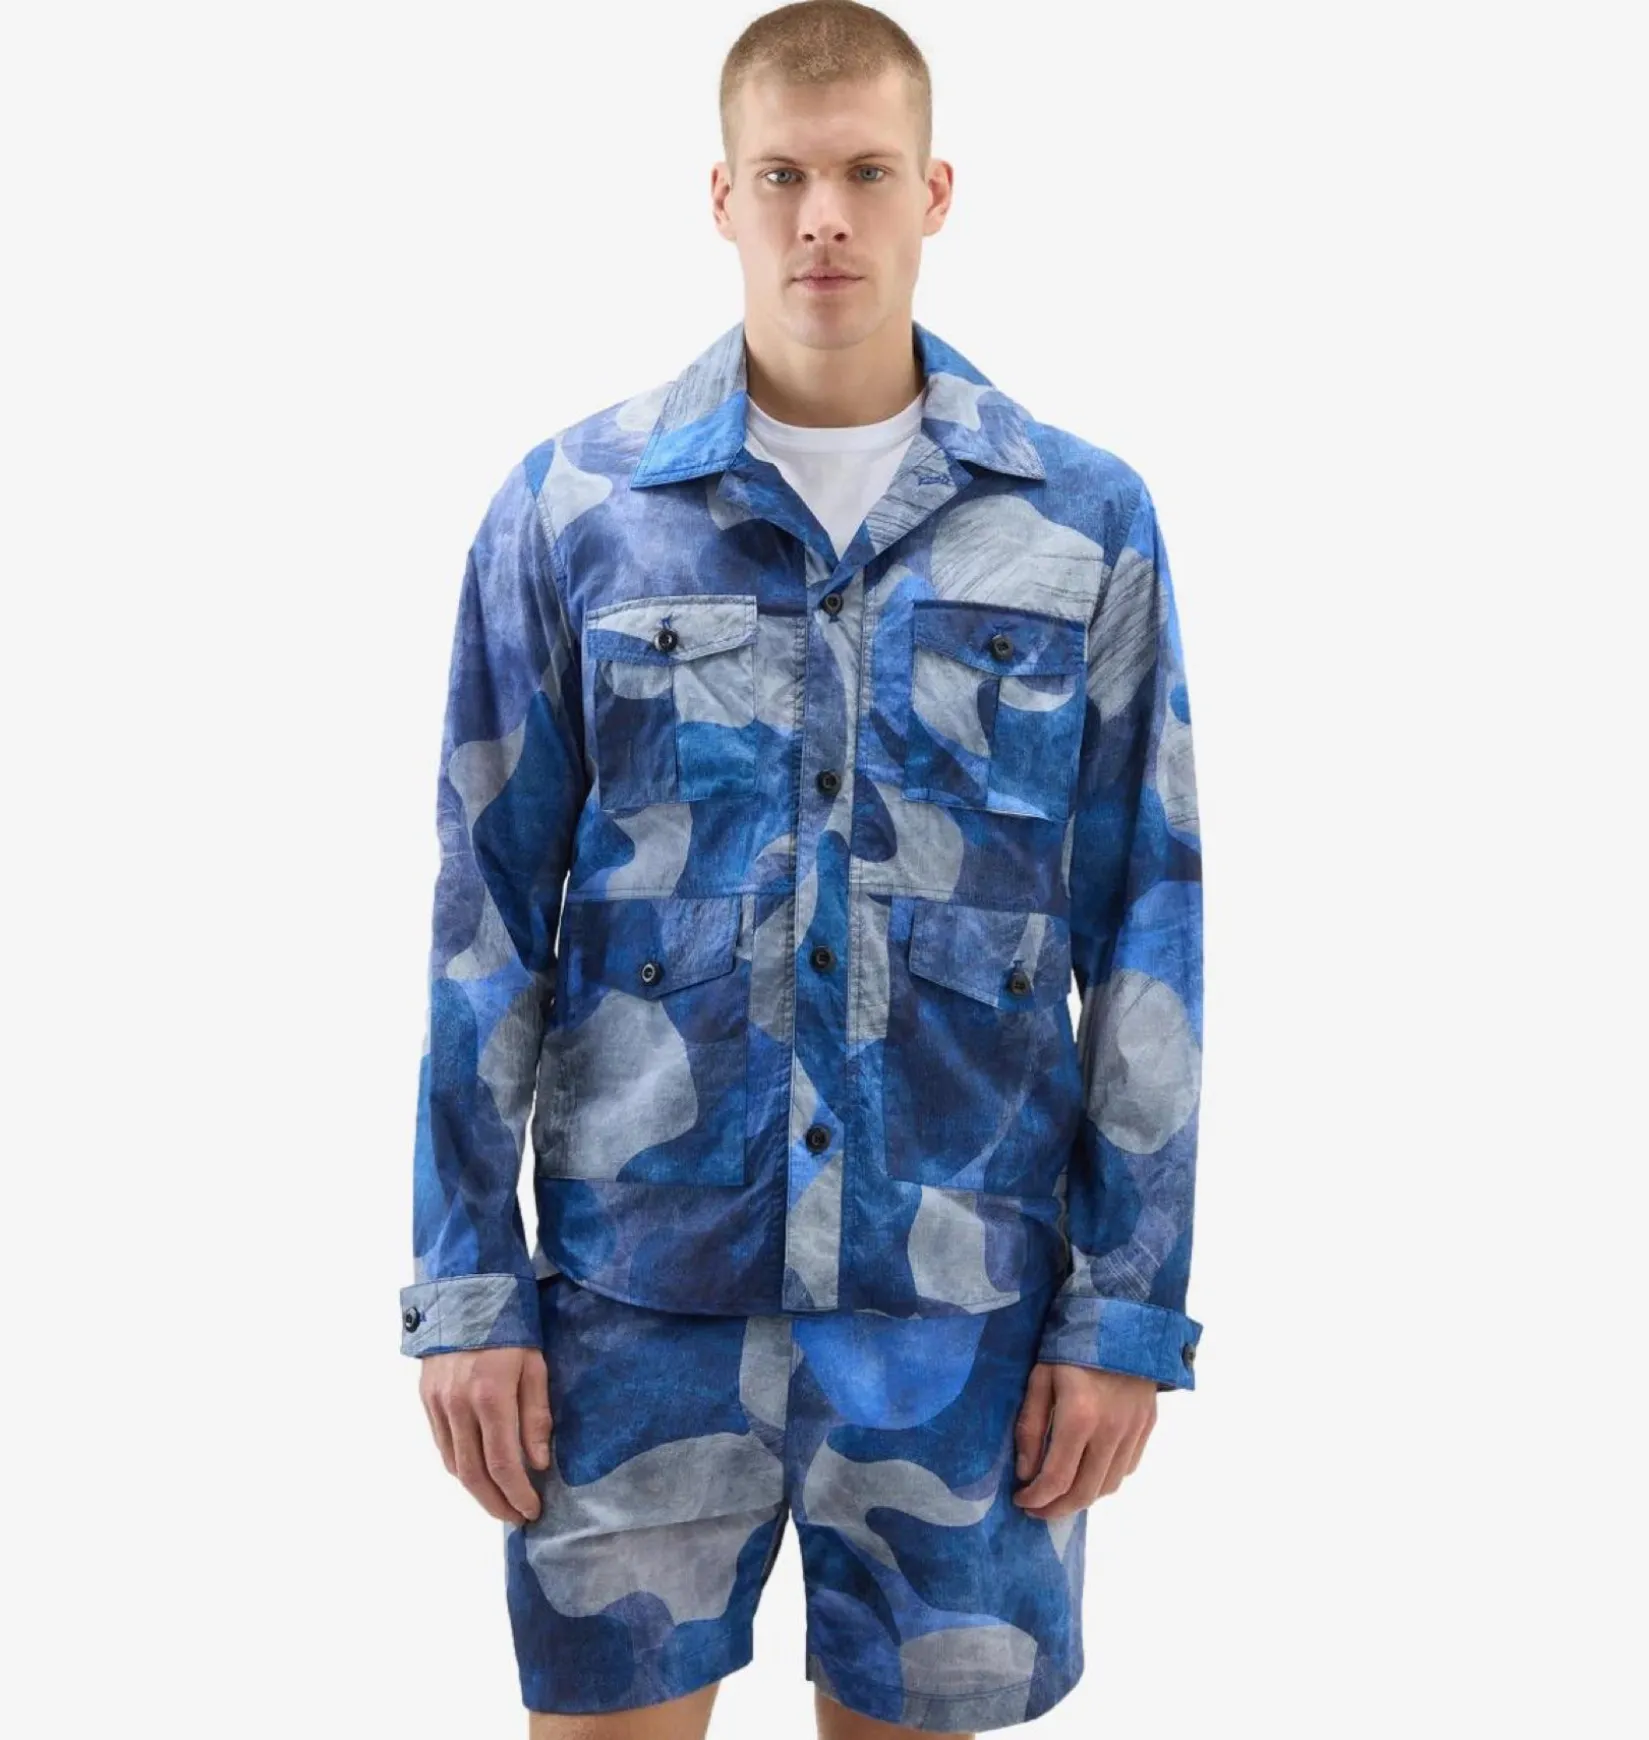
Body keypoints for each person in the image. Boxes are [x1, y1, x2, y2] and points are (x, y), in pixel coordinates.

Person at [398, 3, 1205, 1734]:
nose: (823, 216)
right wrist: (466, 1286)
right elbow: (485, 923)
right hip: (633, 1311)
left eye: (864, 173)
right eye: (782, 175)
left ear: (935, 192)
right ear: (722, 196)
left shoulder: (1082, 523)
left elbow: (1148, 921)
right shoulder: (574, 511)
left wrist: (1126, 1313)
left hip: (964, 1326)